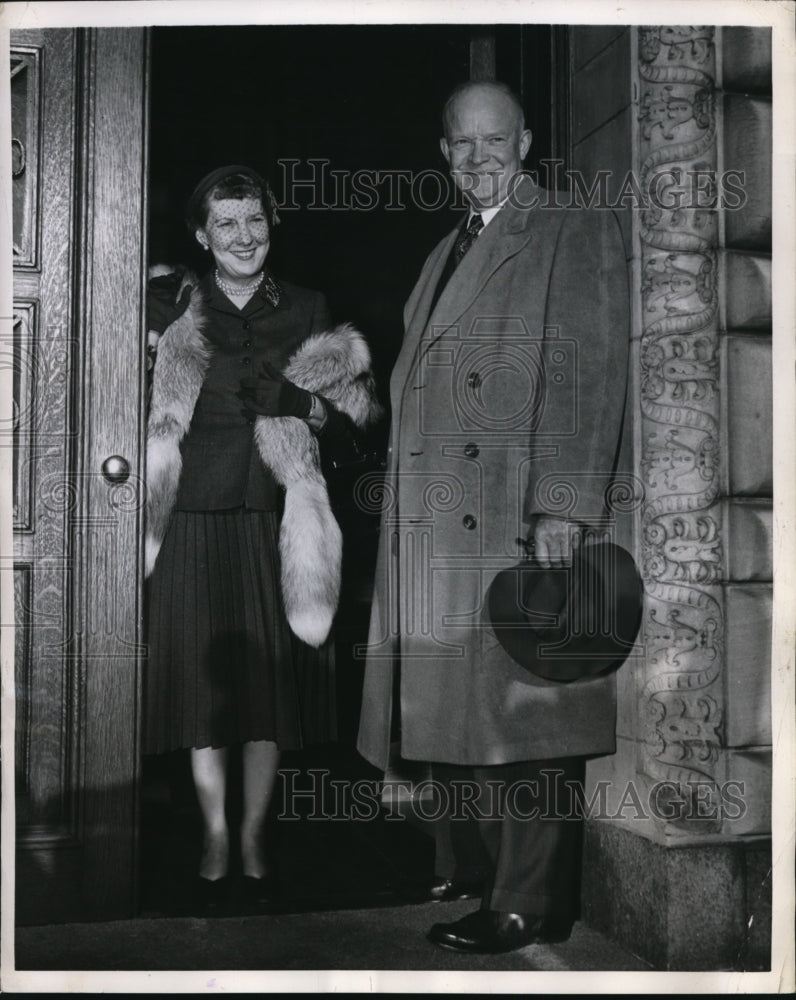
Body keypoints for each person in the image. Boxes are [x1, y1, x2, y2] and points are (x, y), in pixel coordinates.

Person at [356, 82, 631, 953]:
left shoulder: (570, 227)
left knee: (529, 706)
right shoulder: (444, 252)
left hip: (513, 511)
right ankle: (489, 880)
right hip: (442, 525)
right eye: (461, 146)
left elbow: (589, 373)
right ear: (444, 152)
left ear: (526, 144)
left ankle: (526, 901)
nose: (478, 161)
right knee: (477, 712)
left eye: (494, 143)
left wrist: (564, 505)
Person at [143, 165, 380, 910]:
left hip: (279, 515)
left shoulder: (308, 306)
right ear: (201, 235)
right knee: (203, 688)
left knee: (270, 688)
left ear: (271, 225)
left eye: (255, 221)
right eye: (226, 224)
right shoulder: (168, 305)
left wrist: (301, 404)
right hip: (191, 514)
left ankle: (253, 832)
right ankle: (214, 832)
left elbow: (358, 420)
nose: (243, 236)